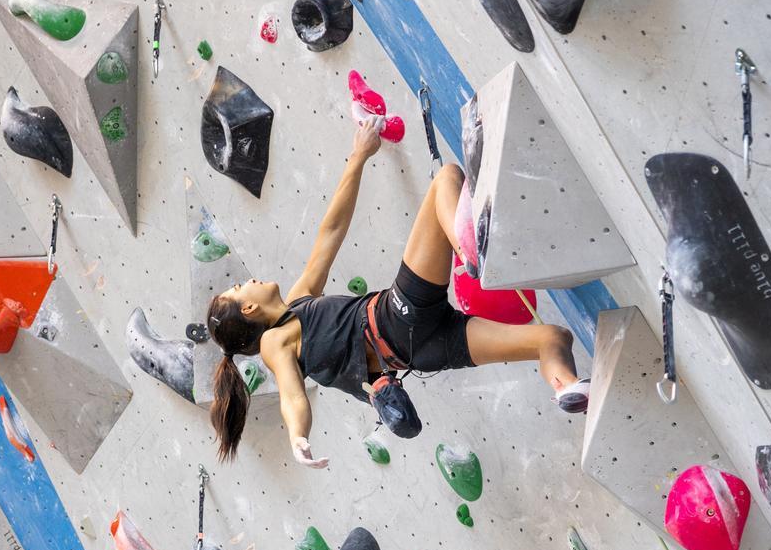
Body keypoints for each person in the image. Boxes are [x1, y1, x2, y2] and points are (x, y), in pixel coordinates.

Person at [206, 115, 590, 467]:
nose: (248, 281)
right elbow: (292, 396)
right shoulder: (274, 342)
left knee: (552, 339)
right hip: (398, 316)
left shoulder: (299, 303)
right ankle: (470, 253)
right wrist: (298, 437)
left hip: (422, 350)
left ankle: (569, 387)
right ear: (250, 309)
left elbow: (331, 231)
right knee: (446, 179)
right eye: (239, 288)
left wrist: (359, 156)